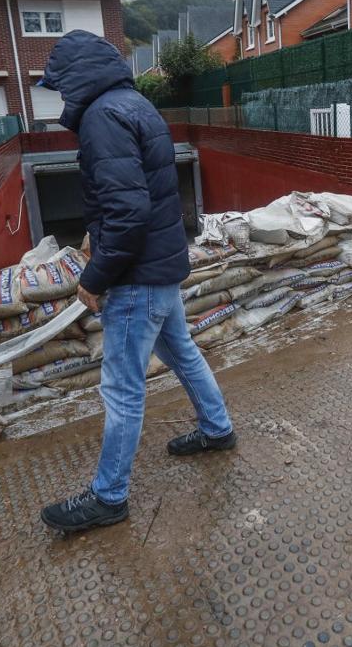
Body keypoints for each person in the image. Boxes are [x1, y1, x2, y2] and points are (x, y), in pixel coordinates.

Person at [37, 30, 236, 535]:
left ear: (78, 78)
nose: (60, 96)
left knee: (122, 388)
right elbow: (137, 192)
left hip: (136, 276)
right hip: (160, 265)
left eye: (60, 85)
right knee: (183, 353)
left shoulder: (102, 118)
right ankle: (217, 429)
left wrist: (96, 275)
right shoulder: (134, 104)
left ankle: (109, 497)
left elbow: (129, 212)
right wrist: (95, 229)